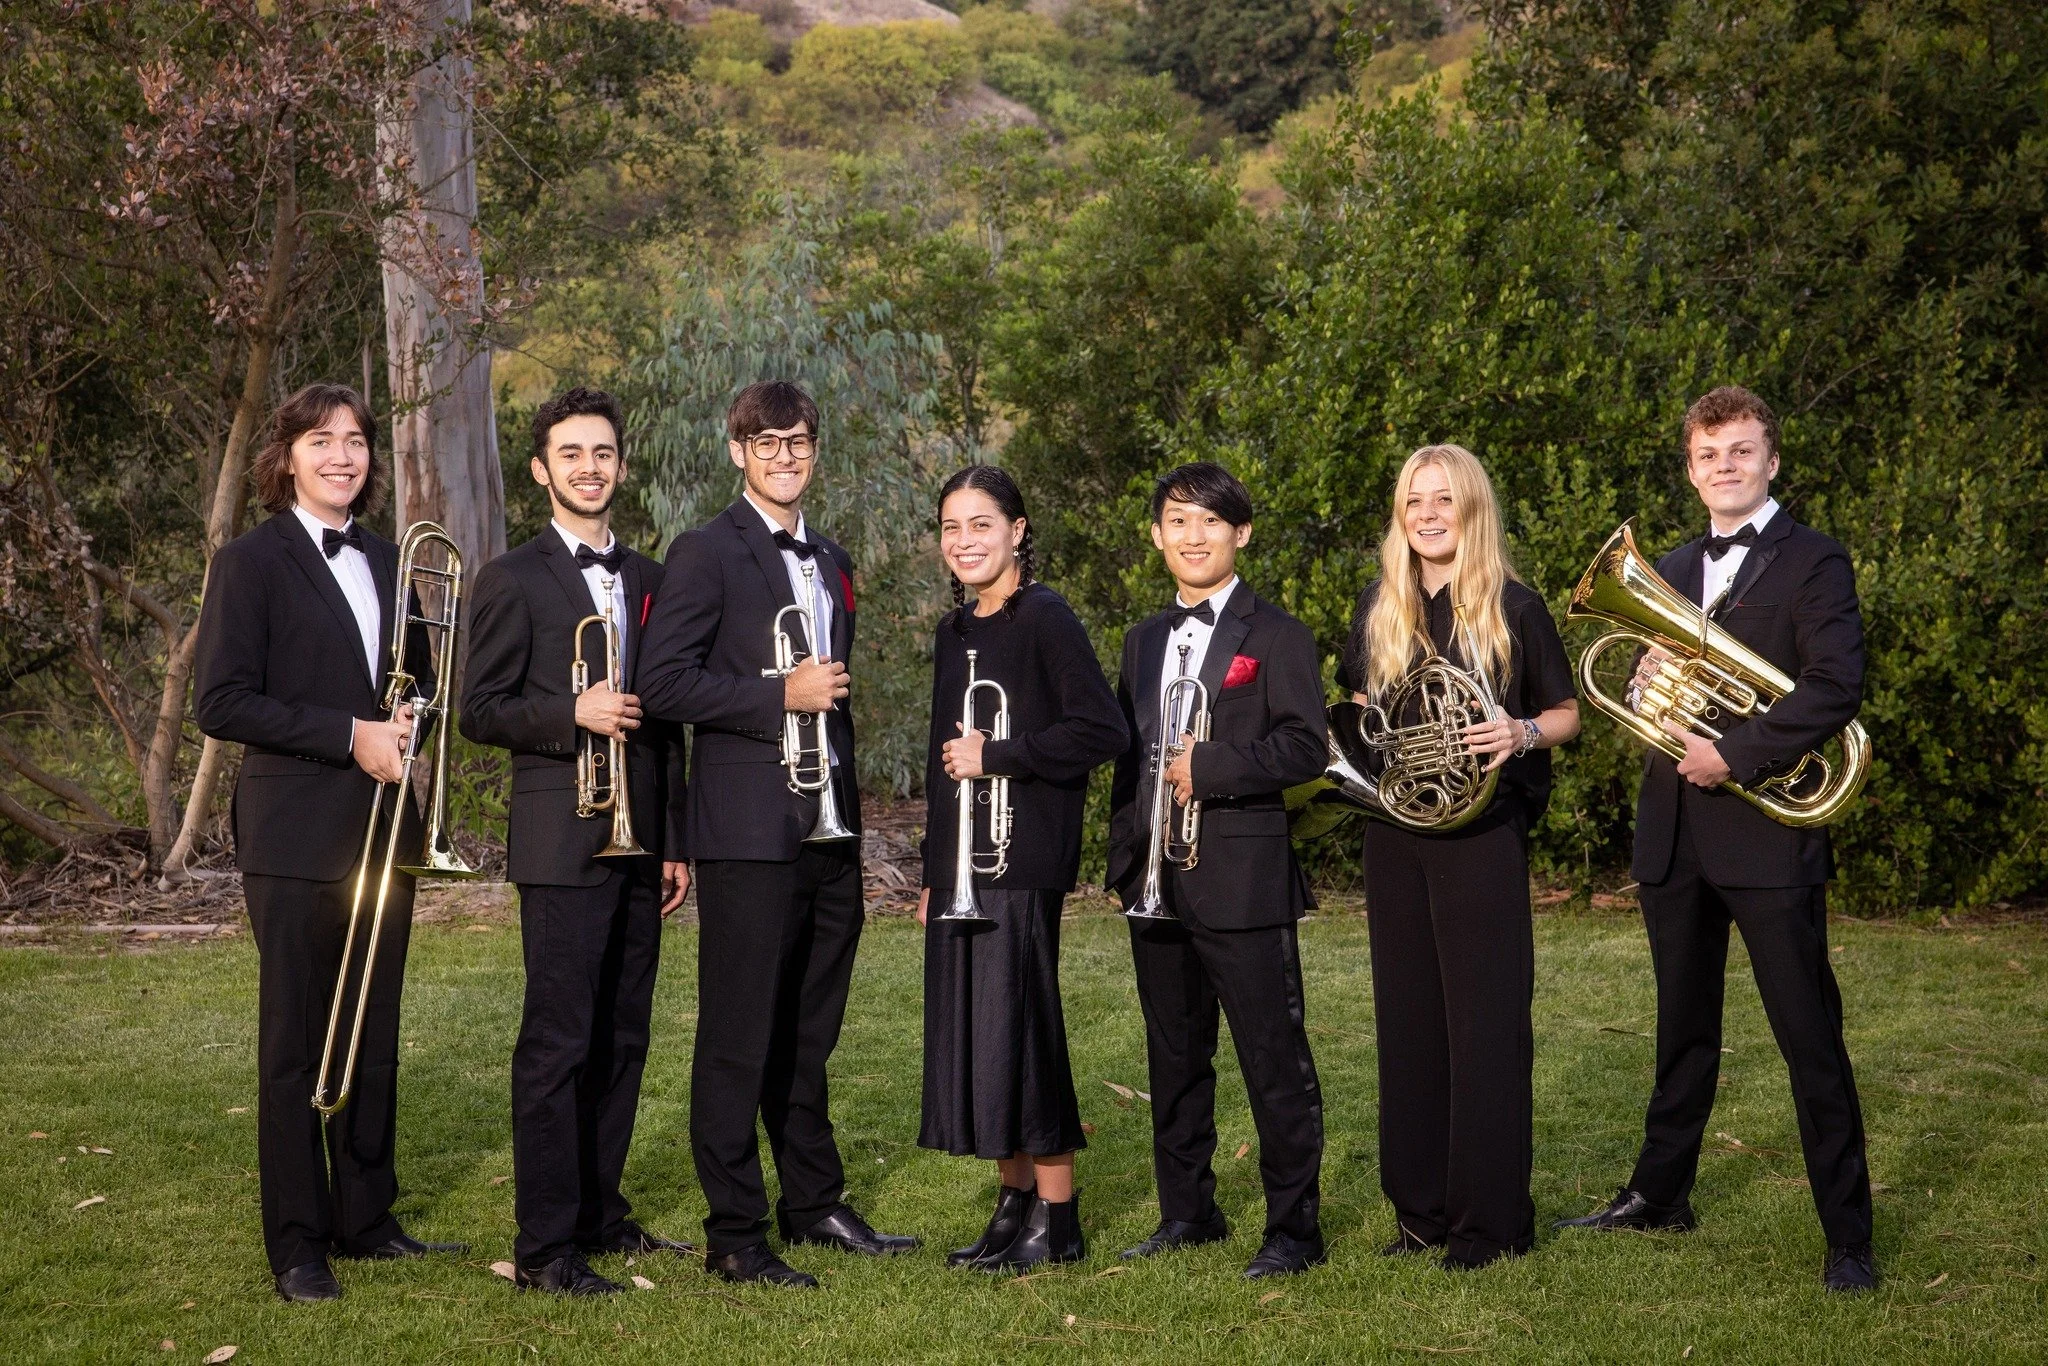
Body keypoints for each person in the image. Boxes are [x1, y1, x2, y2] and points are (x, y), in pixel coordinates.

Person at [1555, 386, 1877, 1294]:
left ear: (1771, 460)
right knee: (1682, 1029)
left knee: (1808, 1036)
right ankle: (1662, 1195)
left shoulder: (1815, 561)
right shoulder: (1666, 565)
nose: (1723, 468)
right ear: (1691, 468)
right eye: (1707, 456)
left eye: (1740, 452)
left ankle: (1847, 1236)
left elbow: (1834, 688)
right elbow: (1655, 695)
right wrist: (1657, 676)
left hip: (1767, 839)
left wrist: (1733, 754)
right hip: (1677, 838)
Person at [637, 380, 916, 1287]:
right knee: (736, 1034)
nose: (784, 457)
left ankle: (815, 1203)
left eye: (797, 443)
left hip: (827, 830)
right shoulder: (704, 551)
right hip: (749, 832)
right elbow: (664, 686)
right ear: (737, 453)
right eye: (767, 444)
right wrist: (776, 696)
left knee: (809, 1030)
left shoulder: (831, 557)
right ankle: (734, 1233)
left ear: (814, 450)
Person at [193, 383, 466, 1302]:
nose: (343, 456)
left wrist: (408, 720)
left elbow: (416, 682)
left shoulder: (393, 559)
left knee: (373, 1029)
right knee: (298, 1041)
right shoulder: (249, 562)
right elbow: (221, 702)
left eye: (355, 442)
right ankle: (298, 1243)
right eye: (322, 441)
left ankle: (366, 1216)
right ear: (287, 458)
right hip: (294, 830)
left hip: (384, 828)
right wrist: (352, 735)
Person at [459, 386, 696, 1296]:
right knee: (558, 1042)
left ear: (620, 466)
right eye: (571, 454)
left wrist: (671, 837)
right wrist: (573, 712)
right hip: (562, 838)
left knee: (624, 1035)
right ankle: (546, 1247)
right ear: (541, 470)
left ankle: (603, 1215)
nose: (589, 467)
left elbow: (666, 719)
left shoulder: (651, 578)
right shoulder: (512, 577)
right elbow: (481, 711)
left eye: (602, 452)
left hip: (639, 840)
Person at [1335, 444, 1580, 1270]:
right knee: (1408, 1025)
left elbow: (1566, 713)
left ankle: (1492, 1225)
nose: (1428, 514)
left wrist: (1520, 732)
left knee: (1486, 1029)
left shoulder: (1514, 605)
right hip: (1397, 835)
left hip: (1480, 837)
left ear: (1472, 510)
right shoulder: (1381, 607)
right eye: (1414, 501)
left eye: (1444, 500)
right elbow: (1363, 712)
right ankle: (1420, 1215)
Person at [1107, 462, 1331, 1280]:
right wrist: (1123, 860)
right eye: (1177, 522)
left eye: (1210, 522)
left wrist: (1214, 764)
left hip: (1239, 879)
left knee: (1273, 1060)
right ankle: (1187, 1213)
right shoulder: (1140, 640)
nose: (1192, 537)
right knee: (1174, 1059)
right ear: (1158, 536)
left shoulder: (1278, 635)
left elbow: (1309, 746)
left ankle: (1294, 1229)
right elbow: (1129, 758)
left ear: (1240, 533)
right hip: (1156, 879)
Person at [916, 466, 1127, 1273]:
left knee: (1024, 1032)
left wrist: (998, 753)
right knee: (979, 1039)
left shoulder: (1046, 619)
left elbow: (1101, 730)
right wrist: (938, 868)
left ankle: (1058, 1219)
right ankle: (1012, 1207)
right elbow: (945, 764)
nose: (964, 542)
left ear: (1018, 531)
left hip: (1022, 858)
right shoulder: (955, 631)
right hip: (965, 866)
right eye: (950, 528)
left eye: (981, 525)